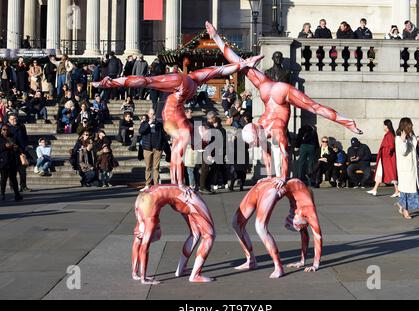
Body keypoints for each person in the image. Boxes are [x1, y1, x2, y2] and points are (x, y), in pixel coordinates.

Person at [207, 21, 362, 189]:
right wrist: (269, 176)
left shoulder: (276, 129)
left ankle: (348, 122)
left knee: (313, 107)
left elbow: (284, 154)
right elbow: (269, 152)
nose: (256, 145)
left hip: (281, 93)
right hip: (269, 90)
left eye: (255, 143)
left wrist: (282, 176)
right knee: (242, 65)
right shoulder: (261, 127)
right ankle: (348, 122)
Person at [93, 53, 262, 189]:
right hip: (170, 116)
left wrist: (245, 63)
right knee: (182, 141)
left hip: (179, 115)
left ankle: (179, 182)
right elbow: (146, 81)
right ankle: (178, 183)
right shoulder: (181, 80)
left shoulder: (195, 78)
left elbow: (219, 70)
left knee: (188, 137)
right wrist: (112, 83)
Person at [232, 178, 322, 277]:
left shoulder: (302, 209)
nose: (290, 222)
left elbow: (305, 234)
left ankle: (274, 266)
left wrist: (303, 261)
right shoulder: (308, 211)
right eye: (295, 225)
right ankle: (255, 261)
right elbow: (317, 237)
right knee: (253, 226)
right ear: (303, 218)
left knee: (246, 224)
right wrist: (315, 264)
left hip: (268, 186)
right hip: (272, 187)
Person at [132, 186, 216, 284]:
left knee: (198, 234)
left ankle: (182, 270)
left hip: (185, 198)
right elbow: (144, 246)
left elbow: (140, 243)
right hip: (183, 199)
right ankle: (194, 275)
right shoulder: (149, 209)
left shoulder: (142, 204)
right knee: (209, 235)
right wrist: (144, 279)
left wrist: (140, 276)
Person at [395, 118, 419, 220]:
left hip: (412, 168)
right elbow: (404, 152)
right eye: (410, 124)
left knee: (411, 191)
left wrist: (415, 140)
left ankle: (401, 205)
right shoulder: (398, 138)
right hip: (405, 169)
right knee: (406, 191)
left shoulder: (412, 136)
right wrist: (403, 140)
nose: (411, 126)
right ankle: (405, 211)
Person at [367, 120, 399, 197]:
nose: (383, 127)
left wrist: (386, 154)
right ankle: (375, 189)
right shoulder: (388, 134)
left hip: (387, 158)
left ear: (386, 126)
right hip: (385, 158)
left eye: (384, 125)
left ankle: (397, 190)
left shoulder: (389, 135)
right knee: (380, 172)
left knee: (391, 174)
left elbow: (391, 147)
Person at [139, 108, 165, 191]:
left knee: (156, 167)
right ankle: (148, 184)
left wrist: (160, 146)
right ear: (148, 114)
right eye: (151, 114)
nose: (152, 115)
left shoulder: (159, 124)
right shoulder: (144, 123)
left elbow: (162, 135)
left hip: (157, 148)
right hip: (147, 148)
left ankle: (156, 185)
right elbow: (141, 131)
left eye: (153, 114)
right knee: (148, 167)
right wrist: (148, 123)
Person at [7, 114, 30, 192]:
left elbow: (25, 137)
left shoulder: (22, 126)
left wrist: (26, 145)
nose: (14, 120)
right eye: (12, 119)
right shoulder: (7, 128)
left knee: (23, 170)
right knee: (12, 170)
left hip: (22, 152)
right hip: (12, 152)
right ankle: (12, 185)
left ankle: (23, 186)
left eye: (15, 118)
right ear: (9, 120)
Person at [0, 124, 23, 201]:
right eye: (4, 129)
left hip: (12, 161)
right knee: (3, 179)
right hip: (3, 162)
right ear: (1, 130)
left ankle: (17, 195)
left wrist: (16, 148)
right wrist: (5, 146)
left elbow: (19, 147)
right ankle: (2, 194)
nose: (6, 131)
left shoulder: (12, 137)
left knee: (14, 179)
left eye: (7, 129)